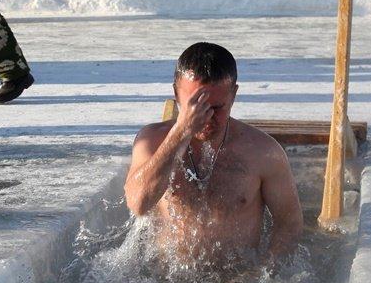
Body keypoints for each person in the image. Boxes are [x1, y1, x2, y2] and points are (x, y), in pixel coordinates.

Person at [123, 42, 302, 270]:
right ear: (176, 94)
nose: (205, 118)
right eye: (194, 107)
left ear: (234, 95)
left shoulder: (263, 152)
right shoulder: (150, 141)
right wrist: (181, 131)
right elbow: (138, 204)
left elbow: (290, 223)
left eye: (216, 108)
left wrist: (261, 274)